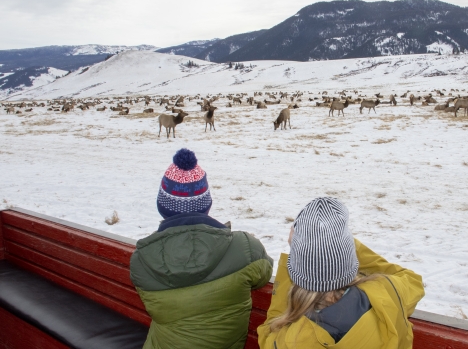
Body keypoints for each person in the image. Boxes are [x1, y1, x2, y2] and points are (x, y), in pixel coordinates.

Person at [130, 148, 273, 349]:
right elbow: (264, 273)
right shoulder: (245, 248)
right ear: (206, 205)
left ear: (163, 207)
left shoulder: (142, 260)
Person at [258, 197, 425, 348]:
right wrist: (342, 245)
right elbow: (413, 281)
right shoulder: (386, 291)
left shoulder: (296, 339)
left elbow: (267, 336)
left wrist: (295, 257)